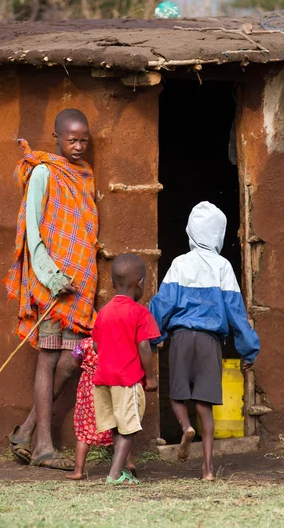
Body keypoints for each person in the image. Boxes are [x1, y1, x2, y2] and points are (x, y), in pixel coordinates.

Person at [4, 109, 98, 470]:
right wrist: (52, 276)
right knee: (47, 358)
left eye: (83, 140)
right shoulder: (43, 172)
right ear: (56, 137)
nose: (78, 146)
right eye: (71, 139)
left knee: (70, 361)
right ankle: (43, 445)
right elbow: (33, 230)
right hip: (49, 285)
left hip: (80, 285)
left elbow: (84, 224)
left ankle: (26, 429)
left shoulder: (85, 174)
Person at [150, 202, 260, 481]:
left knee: (177, 395)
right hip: (210, 341)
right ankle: (208, 468)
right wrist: (248, 350)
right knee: (205, 404)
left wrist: (154, 338)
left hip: (182, 337)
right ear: (218, 234)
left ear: (191, 231)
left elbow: (162, 306)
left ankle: (185, 426)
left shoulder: (179, 264)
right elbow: (236, 313)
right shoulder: (223, 267)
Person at [93, 254, 160, 485]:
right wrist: (150, 377)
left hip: (103, 380)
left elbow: (94, 344)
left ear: (113, 283)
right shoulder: (140, 313)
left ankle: (122, 471)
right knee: (129, 428)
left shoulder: (104, 312)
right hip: (126, 380)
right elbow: (144, 346)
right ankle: (113, 474)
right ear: (140, 283)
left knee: (117, 425)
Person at [66, 336, 136, 480]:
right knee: (119, 429)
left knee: (83, 433)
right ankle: (128, 463)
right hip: (109, 385)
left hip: (89, 388)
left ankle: (78, 471)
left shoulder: (84, 344)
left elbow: (74, 363)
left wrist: (86, 367)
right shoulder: (116, 341)